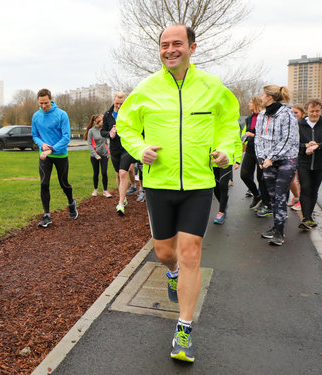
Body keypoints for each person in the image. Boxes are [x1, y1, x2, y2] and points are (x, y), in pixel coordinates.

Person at [116, 24, 240, 362]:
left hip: (199, 185)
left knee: (190, 253)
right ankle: (171, 274)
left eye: (177, 44)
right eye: (164, 45)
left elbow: (231, 125)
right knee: (165, 253)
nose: (170, 49)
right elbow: (125, 125)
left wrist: (229, 150)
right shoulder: (145, 89)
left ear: (192, 47)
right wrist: (140, 148)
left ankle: (183, 330)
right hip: (158, 185)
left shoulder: (213, 88)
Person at [255, 85, 299, 245]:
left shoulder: (287, 114)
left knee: (280, 194)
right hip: (267, 160)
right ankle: (276, 226)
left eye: (262, 94)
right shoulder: (261, 115)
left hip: (286, 159)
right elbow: (258, 137)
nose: (260, 97)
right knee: (272, 196)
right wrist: (261, 157)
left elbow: (288, 139)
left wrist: (272, 157)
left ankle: (279, 233)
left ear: (270, 97)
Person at [32, 88, 78, 228]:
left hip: (60, 155)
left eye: (46, 103)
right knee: (44, 183)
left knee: (64, 183)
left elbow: (66, 137)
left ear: (51, 100)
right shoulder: (36, 116)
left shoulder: (61, 115)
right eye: (41, 103)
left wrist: (51, 149)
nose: (44, 106)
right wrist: (42, 144)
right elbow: (35, 135)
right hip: (44, 156)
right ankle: (47, 215)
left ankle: (71, 203)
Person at [101, 92, 137, 215]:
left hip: (127, 147)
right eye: (117, 103)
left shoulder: (131, 113)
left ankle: (120, 203)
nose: (119, 106)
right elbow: (103, 131)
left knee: (123, 173)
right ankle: (124, 198)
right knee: (118, 174)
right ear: (114, 101)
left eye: (121, 104)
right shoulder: (108, 114)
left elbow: (137, 129)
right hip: (115, 148)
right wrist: (109, 133)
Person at [240, 97, 271, 213]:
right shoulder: (249, 119)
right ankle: (257, 195)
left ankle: (265, 203)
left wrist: (252, 135)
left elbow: (267, 135)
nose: (248, 104)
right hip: (250, 149)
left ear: (256, 104)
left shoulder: (265, 117)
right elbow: (248, 133)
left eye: (250, 102)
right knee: (244, 174)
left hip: (262, 151)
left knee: (261, 178)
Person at [297, 98, 322, 230]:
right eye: (312, 111)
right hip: (303, 163)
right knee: (306, 187)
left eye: (317, 111)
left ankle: (309, 216)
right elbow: (294, 144)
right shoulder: (299, 125)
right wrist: (305, 147)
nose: (314, 114)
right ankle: (306, 218)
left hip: (319, 164)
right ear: (306, 110)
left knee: (314, 190)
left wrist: (318, 146)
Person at [213, 130, 243, 224]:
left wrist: (237, 160)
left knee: (223, 185)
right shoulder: (211, 122)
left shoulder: (229, 125)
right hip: (213, 161)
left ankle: (221, 212)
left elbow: (238, 143)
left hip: (227, 161)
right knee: (215, 188)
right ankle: (224, 204)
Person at [84, 114, 112, 198]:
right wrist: (96, 155)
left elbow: (108, 141)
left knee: (104, 173)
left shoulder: (104, 130)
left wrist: (108, 153)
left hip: (104, 155)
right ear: (97, 122)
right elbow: (89, 144)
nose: (103, 122)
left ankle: (105, 191)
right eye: (101, 120)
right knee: (96, 173)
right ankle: (95, 189)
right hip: (94, 156)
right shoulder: (91, 131)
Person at [289, 103, 306, 211]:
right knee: (290, 178)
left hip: (302, 155)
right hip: (291, 154)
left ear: (302, 114)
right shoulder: (290, 124)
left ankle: (302, 202)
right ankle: (296, 197)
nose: (294, 115)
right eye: (292, 113)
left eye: (296, 113)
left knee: (300, 179)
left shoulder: (304, 125)